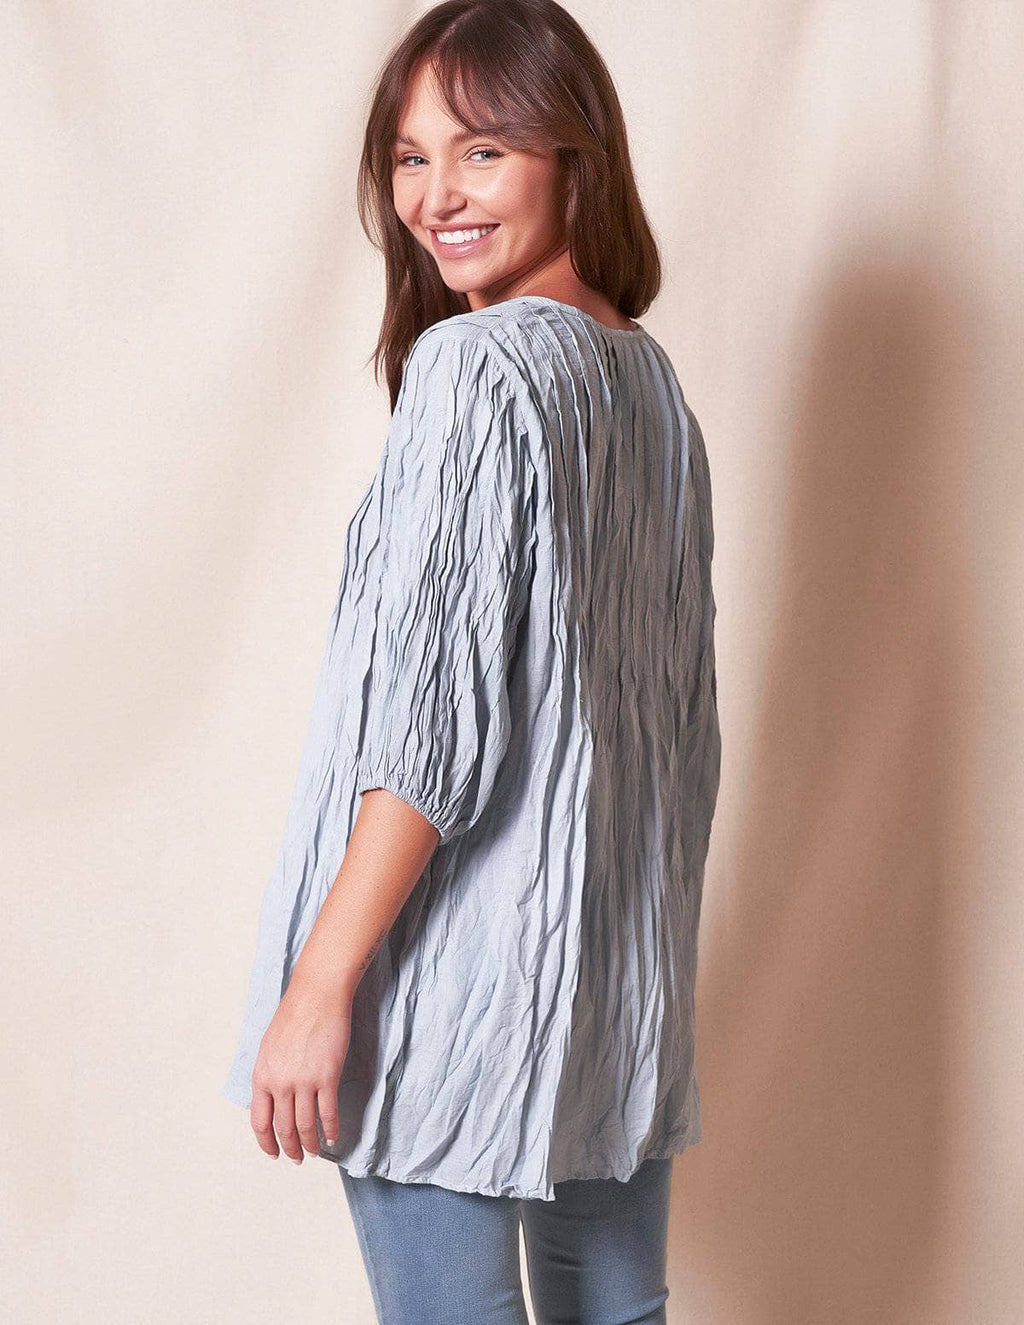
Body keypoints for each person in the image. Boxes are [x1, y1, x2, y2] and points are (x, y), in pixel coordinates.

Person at [221, 0, 722, 1320]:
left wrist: (319, 987)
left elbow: (432, 733)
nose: (435, 195)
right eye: (409, 157)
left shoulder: (476, 369)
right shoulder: (651, 389)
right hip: (610, 993)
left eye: (483, 150)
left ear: (574, 156)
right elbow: (676, 735)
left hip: (452, 992)